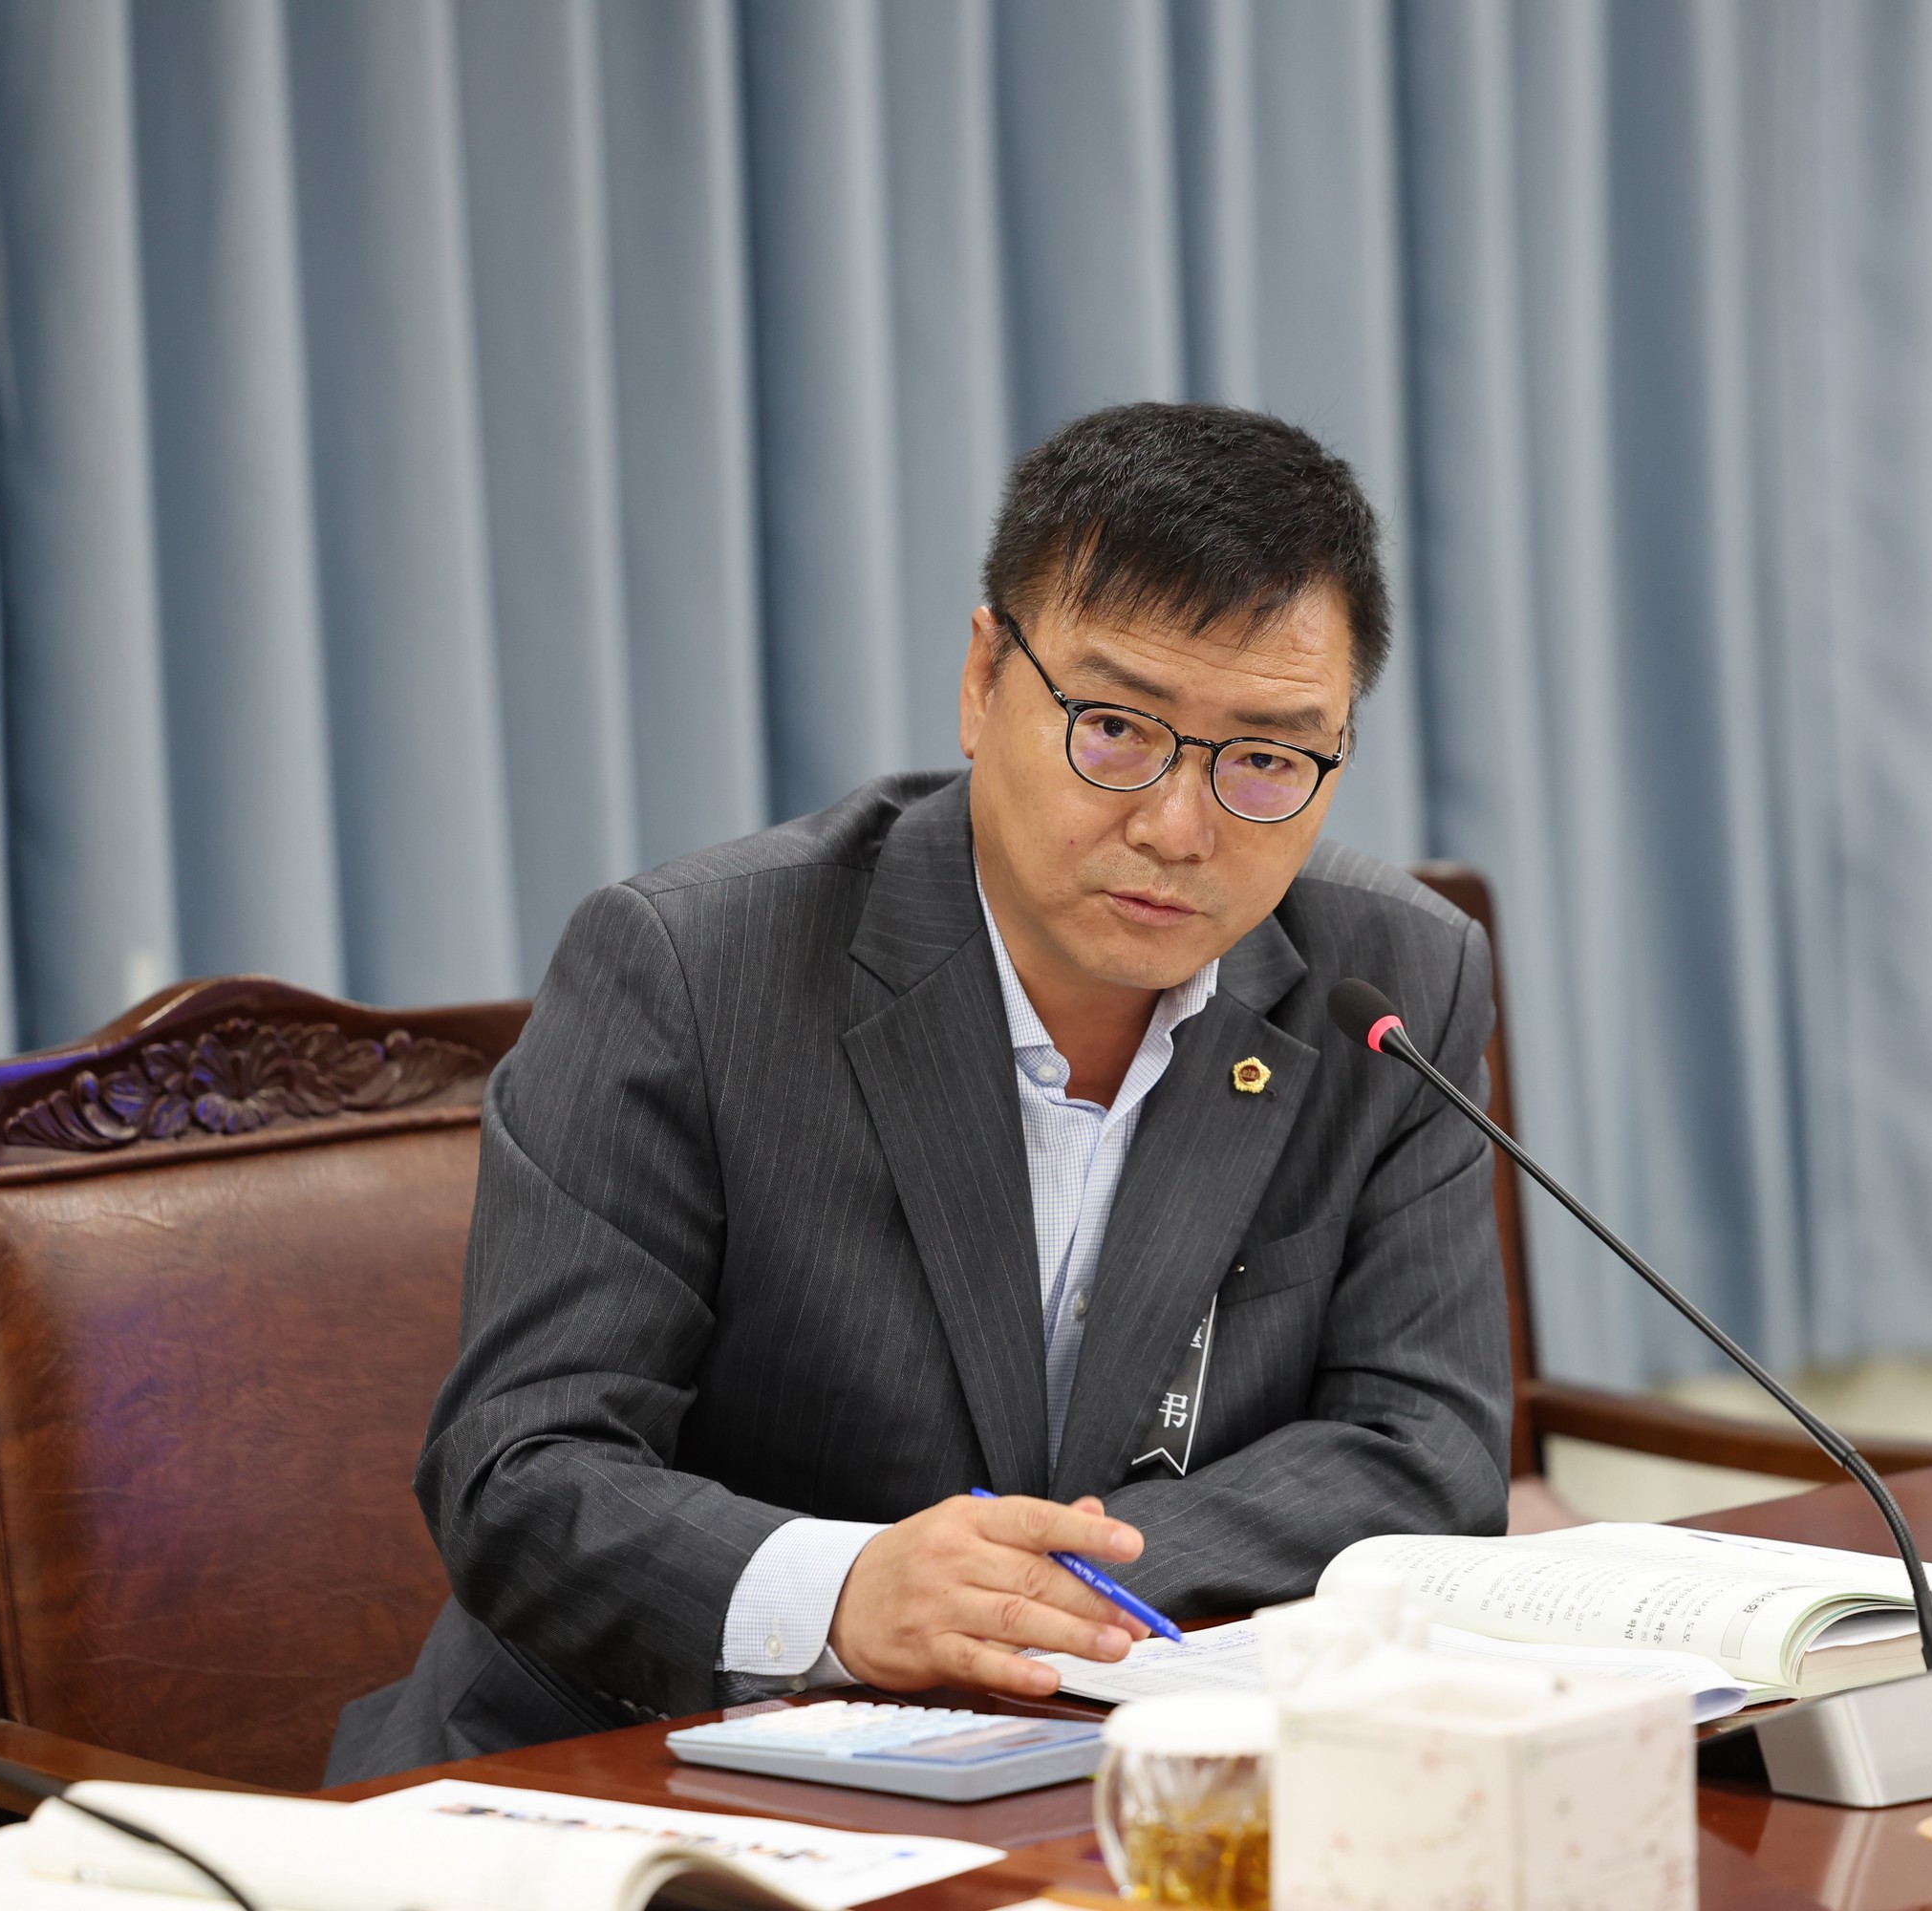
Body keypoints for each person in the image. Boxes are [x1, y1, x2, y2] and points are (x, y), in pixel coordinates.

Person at [326, 402, 1512, 1782]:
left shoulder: (1392, 983)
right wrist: (843, 1592)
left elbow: (1426, 1448)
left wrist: (1038, 1596)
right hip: (643, 1774)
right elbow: (521, 1470)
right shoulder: (694, 970)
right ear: (984, 680)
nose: (1178, 826)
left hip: (1098, 1766)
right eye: (1116, 728)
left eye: (1265, 758)